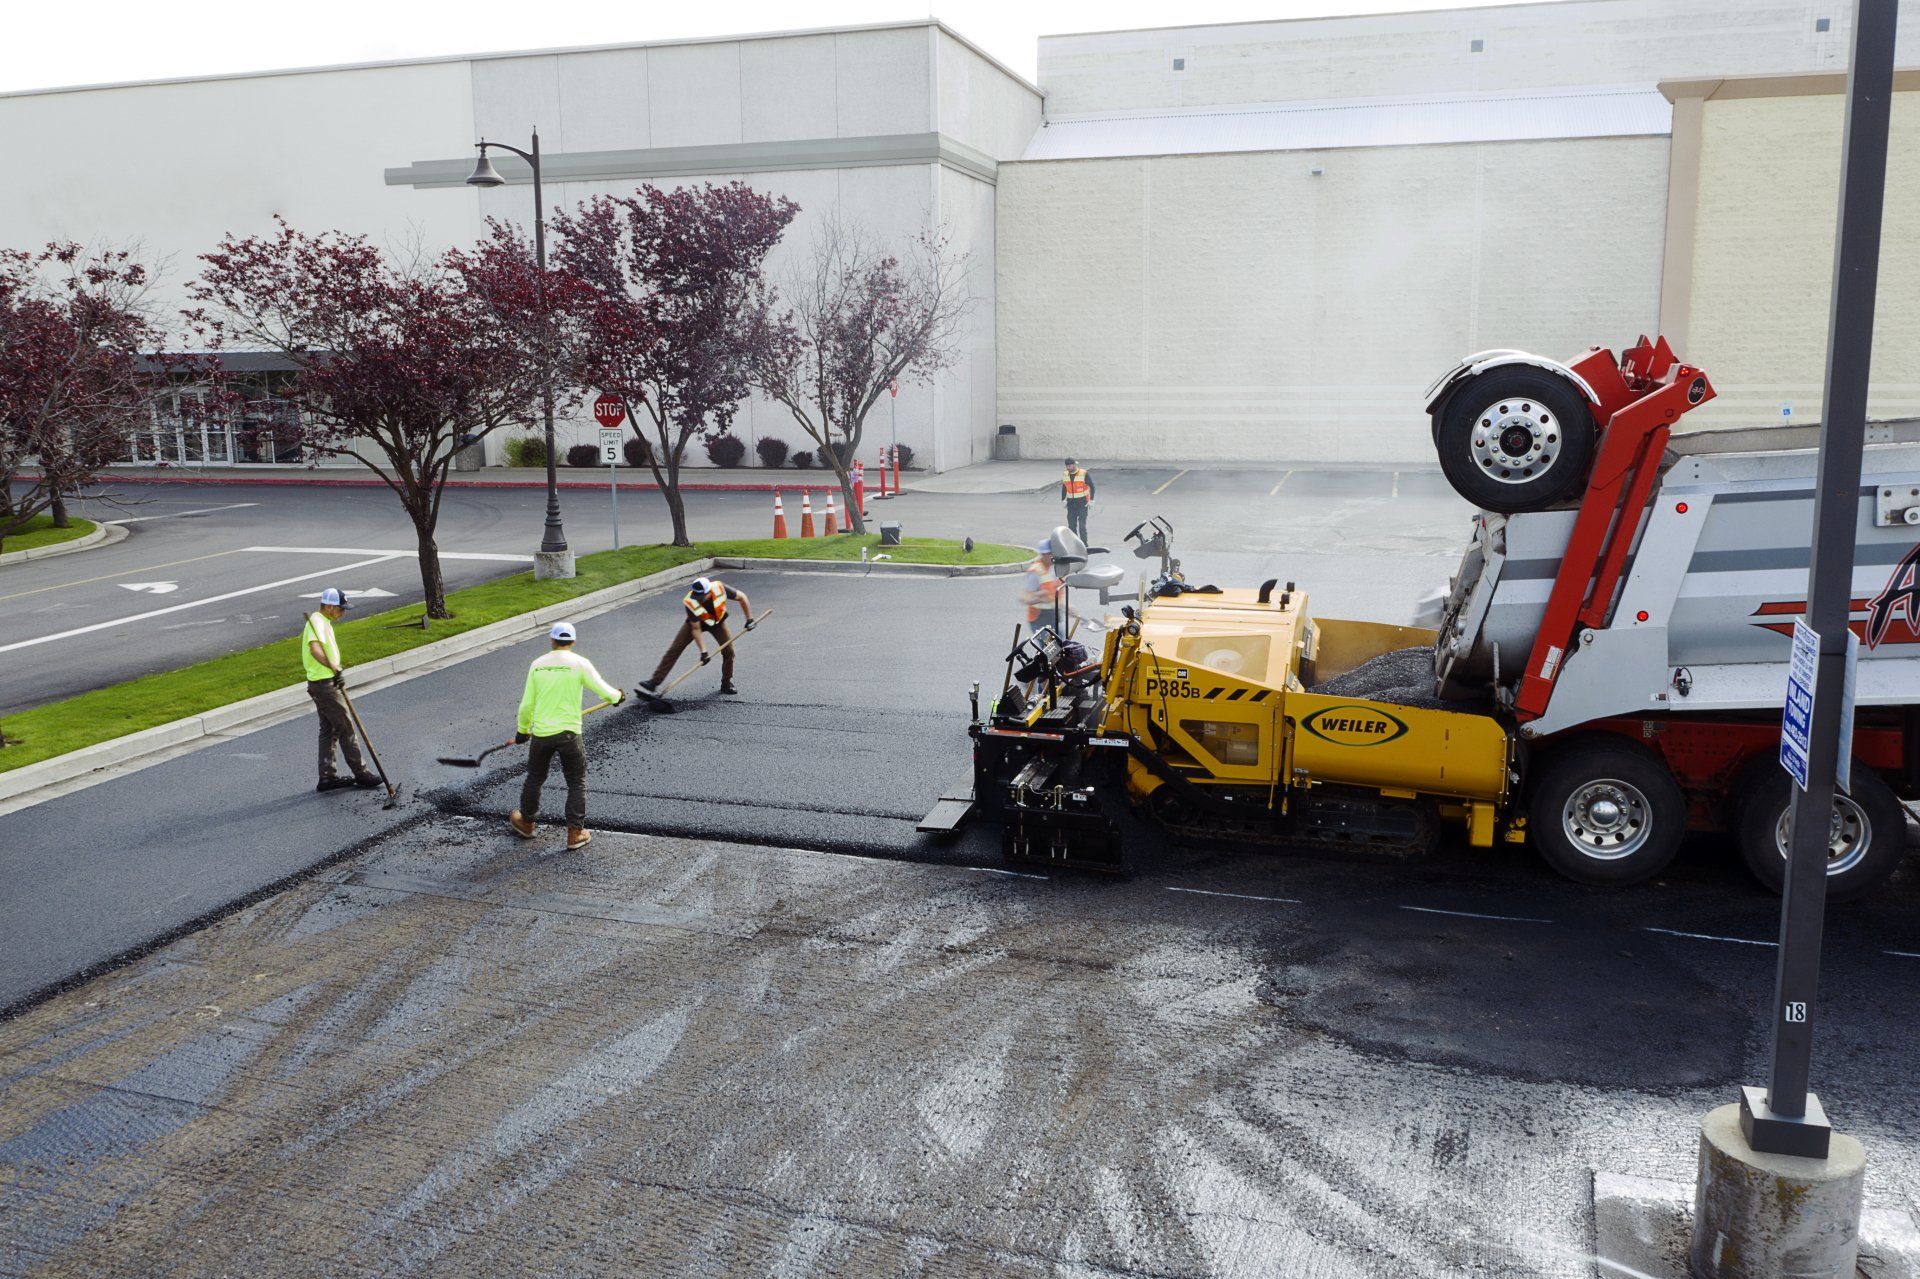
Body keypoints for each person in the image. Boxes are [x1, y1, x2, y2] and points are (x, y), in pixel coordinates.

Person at [509, 621, 624, 851]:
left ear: (552, 641)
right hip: (570, 733)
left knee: (535, 777)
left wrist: (522, 731)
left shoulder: (538, 665)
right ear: (572, 641)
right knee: (576, 781)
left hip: (542, 733)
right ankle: (574, 833)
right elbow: (603, 689)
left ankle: (527, 822)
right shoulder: (580, 663)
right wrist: (617, 696)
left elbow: (527, 705)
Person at [301, 587, 379, 793]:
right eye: (340, 609)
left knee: (329, 729)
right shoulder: (317, 621)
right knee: (346, 727)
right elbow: (315, 649)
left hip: (323, 682)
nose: (343, 613)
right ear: (328, 606)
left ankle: (327, 777)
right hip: (324, 684)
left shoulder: (323, 621)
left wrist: (334, 670)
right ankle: (361, 773)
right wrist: (334, 668)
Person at [640, 576, 756, 698]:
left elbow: (742, 597)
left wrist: (749, 619)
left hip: (717, 622)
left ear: (709, 591)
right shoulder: (690, 601)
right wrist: (703, 652)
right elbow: (696, 629)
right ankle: (654, 682)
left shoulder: (719, 588)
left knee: (729, 651)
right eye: (697, 597)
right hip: (696, 623)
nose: (699, 600)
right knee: (675, 648)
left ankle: (726, 683)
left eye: (701, 597)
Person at [1021, 539, 1062, 635]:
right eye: (1051, 553)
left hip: (1053, 618)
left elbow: (1053, 593)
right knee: (1051, 649)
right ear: (1044, 554)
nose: (1054, 556)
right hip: (1039, 620)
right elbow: (1026, 598)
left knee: (1062, 646)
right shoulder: (1035, 571)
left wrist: (1067, 608)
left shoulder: (1052, 569)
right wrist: (1040, 597)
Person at [1060, 457, 1095, 544]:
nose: (1068, 468)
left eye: (1070, 466)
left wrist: (1091, 500)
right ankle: (1075, 545)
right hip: (1071, 504)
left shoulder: (1083, 473)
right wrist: (1063, 500)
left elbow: (1092, 486)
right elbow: (1064, 487)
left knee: (1082, 527)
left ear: (1074, 465)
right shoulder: (1065, 474)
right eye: (1067, 466)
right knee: (1071, 526)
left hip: (1082, 503)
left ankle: (1085, 546)